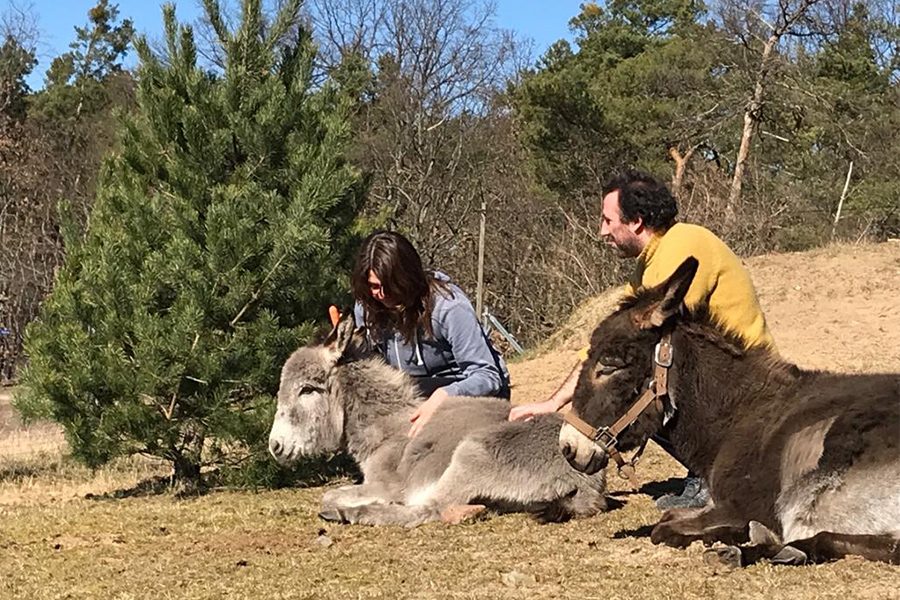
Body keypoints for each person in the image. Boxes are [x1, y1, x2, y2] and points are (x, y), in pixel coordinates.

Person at [509, 170, 775, 509]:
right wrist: (553, 403)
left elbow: (642, 345)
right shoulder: (650, 263)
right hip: (719, 392)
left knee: (644, 379)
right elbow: (610, 346)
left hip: (745, 397)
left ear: (635, 221)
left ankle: (713, 479)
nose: (602, 231)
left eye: (607, 220)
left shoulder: (684, 245)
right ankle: (704, 471)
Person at [351, 230, 510, 438]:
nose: (381, 295)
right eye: (374, 286)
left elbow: (487, 376)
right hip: (412, 394)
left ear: (407, 277)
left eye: (390, 286)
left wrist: (442, 397)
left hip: (467, 397)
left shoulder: (449, 307)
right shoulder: (367, 308)